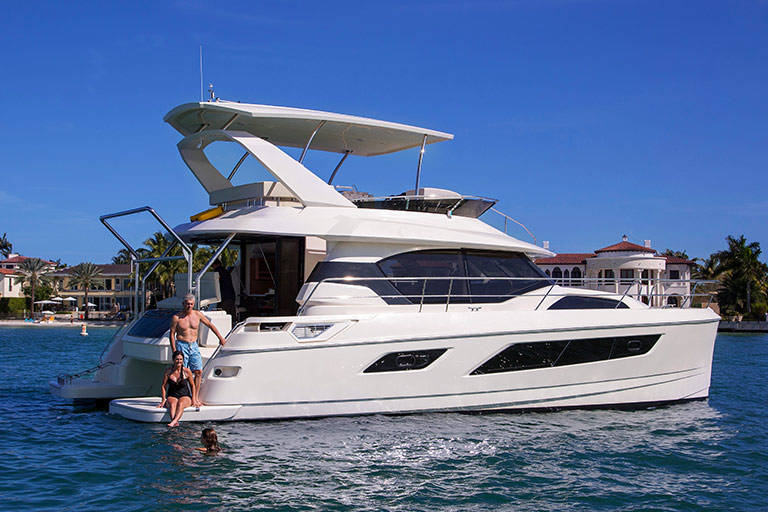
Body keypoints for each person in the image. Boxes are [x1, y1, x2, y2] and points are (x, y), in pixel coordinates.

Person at [170, 293, 227, 407]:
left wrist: (220, 338)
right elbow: (172, 334)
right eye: (187, 304)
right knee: (183, 372)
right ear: (183, 304)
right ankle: (182, 396)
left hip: (194, 345)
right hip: (182, 344)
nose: (189, 306)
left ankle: (195, 397)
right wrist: (175, 351)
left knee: (198, 371)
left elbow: (210, 325)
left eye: (191, 304)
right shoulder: (177, 317)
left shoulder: (198, 315)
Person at [156, 350, 196, 427]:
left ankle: (174, 421)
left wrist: (194, 399)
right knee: (173, 404)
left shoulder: (187, 371)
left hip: (185, 395)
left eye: (181, 359)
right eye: (177, 359)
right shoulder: (168, 371)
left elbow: (192, 385)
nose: (179, 361)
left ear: (183, 360)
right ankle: (174, 422)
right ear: (173, 360)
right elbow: (164, 386)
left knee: (180, 404)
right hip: (172, 395)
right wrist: (163, 400)